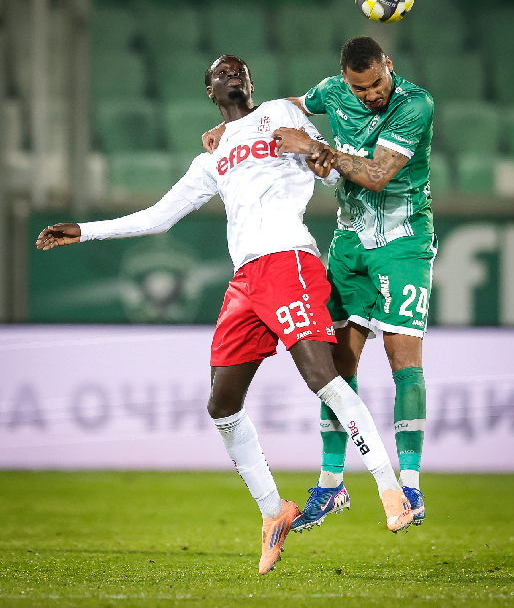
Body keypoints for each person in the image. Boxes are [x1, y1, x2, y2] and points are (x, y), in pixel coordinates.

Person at [36, 55, 413, 575]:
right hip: (245, 280)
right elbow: (159, 217)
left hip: (288, 259)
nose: (231, 73)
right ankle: (273, 511)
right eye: (221, 72)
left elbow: (331, 173)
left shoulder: (284, 113)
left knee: (322, 377)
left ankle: (389, 488)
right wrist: (85, 231)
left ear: (251, 83)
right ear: (211, 92)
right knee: (221, 404)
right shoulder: (212, 156)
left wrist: (317, 154)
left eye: (239, 69)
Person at [202, 38, 435, 532]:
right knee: (336, 366)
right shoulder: (332, 91)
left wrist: (315, 148)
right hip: (349, 241)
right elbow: (283, 107)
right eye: (360, 88)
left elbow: (376, 175)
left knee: (402, 359)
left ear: (389, 67)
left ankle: (410, 485)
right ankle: (331, 484)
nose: (370, 95)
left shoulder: (415, 104)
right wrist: (235, 127)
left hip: (403, 240)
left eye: (376, 84)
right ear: (345, 80)